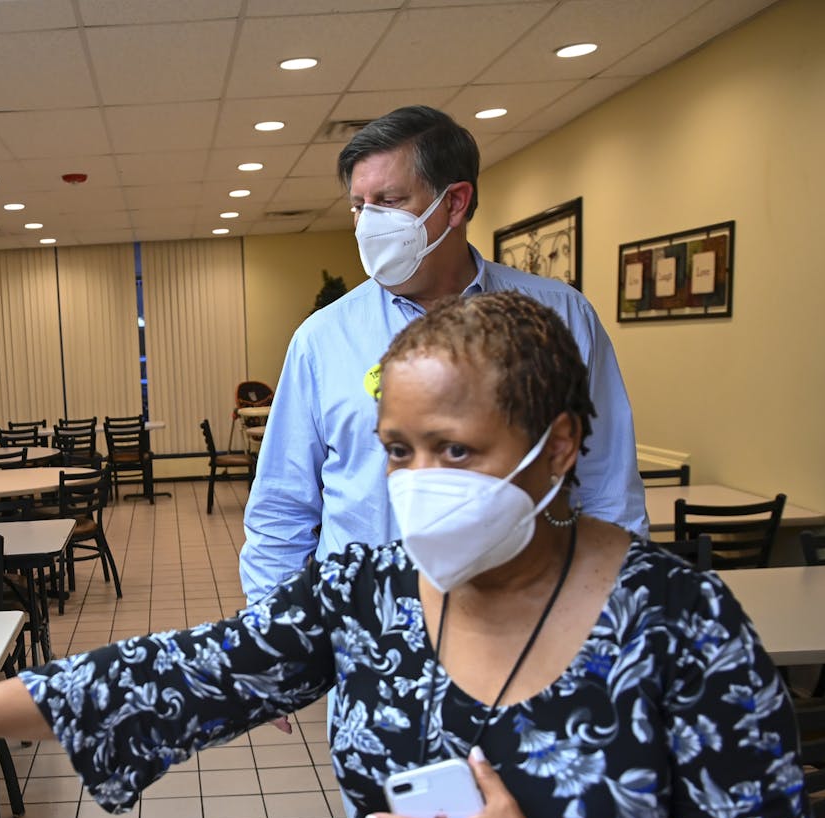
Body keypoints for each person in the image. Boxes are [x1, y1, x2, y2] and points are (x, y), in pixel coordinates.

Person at [0, 293, 817, 818]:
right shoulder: (367, 592)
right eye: (396, 449)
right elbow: (184, 673)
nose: (415, 482)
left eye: (454, 450)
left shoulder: (676, 620)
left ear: (556, 447)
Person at [240, 105, 647, 608]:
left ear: (455, 203)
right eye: (359, 205)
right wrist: (279, 637)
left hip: (530, 621)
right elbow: (281, 508)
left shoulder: (561, 317)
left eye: (389, 201)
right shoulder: (323, 339)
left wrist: (610, 617)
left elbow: (608, 486)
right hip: (375, 630)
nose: (369, 223)